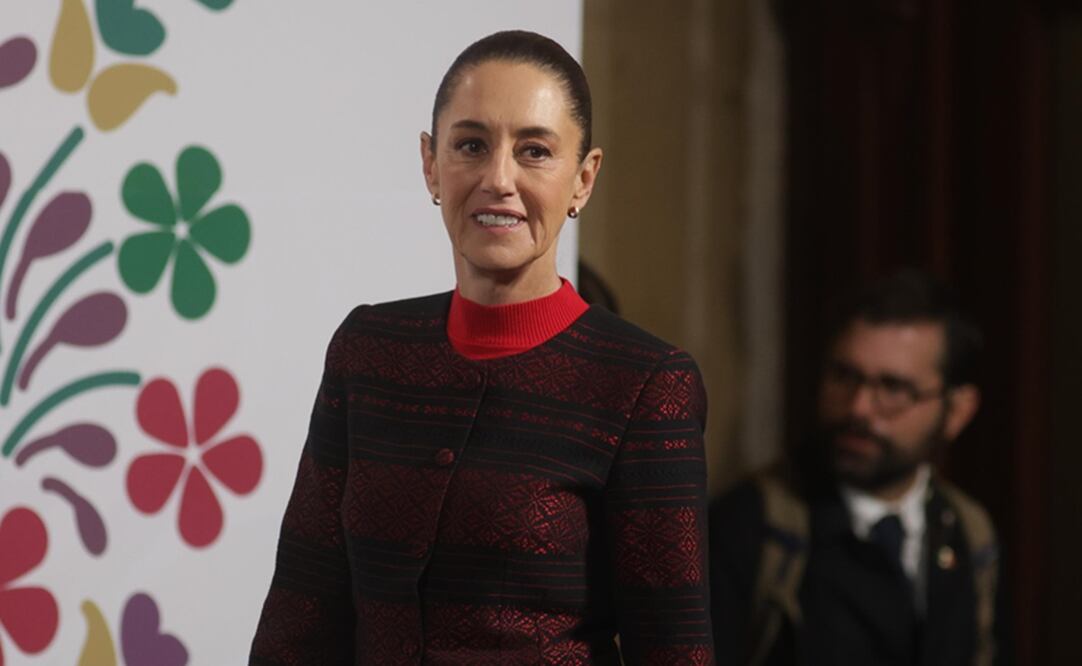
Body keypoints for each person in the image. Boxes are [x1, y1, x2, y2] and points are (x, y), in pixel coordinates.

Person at [250, 30, 714, 665]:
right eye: (471, 145)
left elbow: (674, 650)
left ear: (583, 179)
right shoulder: (367, 352)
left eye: (534, 151)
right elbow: (297, 621)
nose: (499, 178)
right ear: (430, 164)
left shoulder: (643, 383)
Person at [709, 270, 1008, 666]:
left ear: (956, 411)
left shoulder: (969, 533)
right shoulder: (752, 524)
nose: (859, 408)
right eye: (844, 377)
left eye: (893, 388)